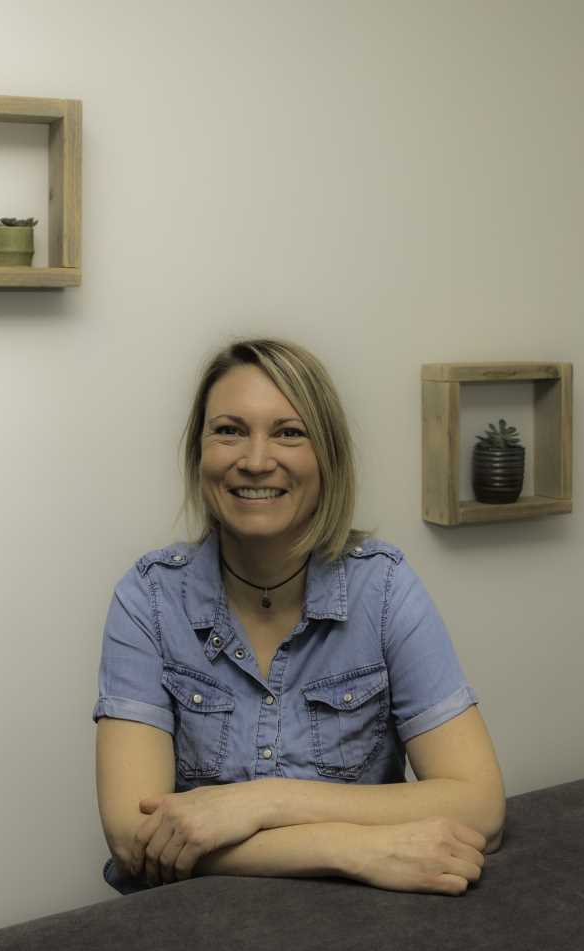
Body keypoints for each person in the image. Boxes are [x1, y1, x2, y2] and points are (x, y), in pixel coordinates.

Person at [94, 338, 505, 897]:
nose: (256, 460)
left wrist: (262, 802)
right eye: (229, 430)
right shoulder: (148, 598)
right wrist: (350, 849)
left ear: (327, 457)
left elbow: (480, 805)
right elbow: (133, 839)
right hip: (192, 928)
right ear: (199, 453)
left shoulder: (383, 587)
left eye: (289, 433)